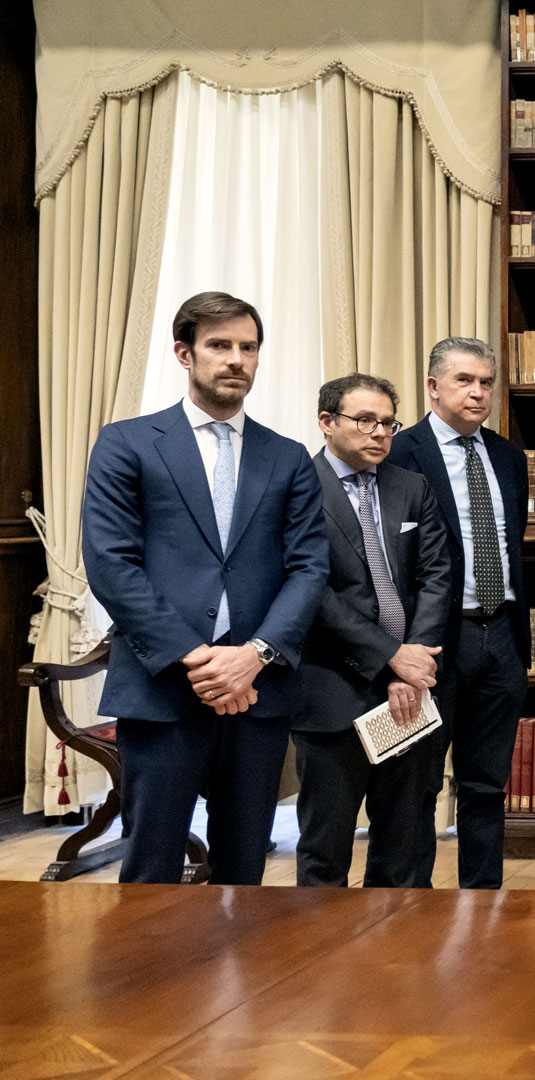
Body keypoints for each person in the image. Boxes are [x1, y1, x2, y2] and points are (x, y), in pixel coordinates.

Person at [80, 291, 329, 885]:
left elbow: (309, 568)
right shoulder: (127, 443)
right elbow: (112, 563)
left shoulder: (288, 457)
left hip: (258, 690)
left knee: (245, 868)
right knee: (151, 866)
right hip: (162, 688)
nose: (236, 359)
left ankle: (240, 981)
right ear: (184, 353)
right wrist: (198, 660)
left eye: (248, 347)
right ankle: (147, 981)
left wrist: (252, 656)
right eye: (219, 346)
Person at [293, 375, 453, 888]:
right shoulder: (297, 489)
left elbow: (436, 577)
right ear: (327, 422)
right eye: (365, 421)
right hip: (334, 690)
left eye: (388, 422)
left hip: (411, 692)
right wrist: (391, 657)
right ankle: (319, 963)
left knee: (404, 846)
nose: (380, 432)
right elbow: (311, 591)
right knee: (326, 850)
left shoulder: (411, 486)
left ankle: (400, 961)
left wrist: (416, 663)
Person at [385, 337, 530, 889]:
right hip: (433, 644)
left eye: (486, 382)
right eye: (465, 380)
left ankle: (482, 898)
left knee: (487, 781)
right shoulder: (399, 453)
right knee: (417, 781)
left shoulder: (507, 455)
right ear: (432, 387)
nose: (477, 392)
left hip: (502, 637)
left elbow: (512, 543)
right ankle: (412, 902)